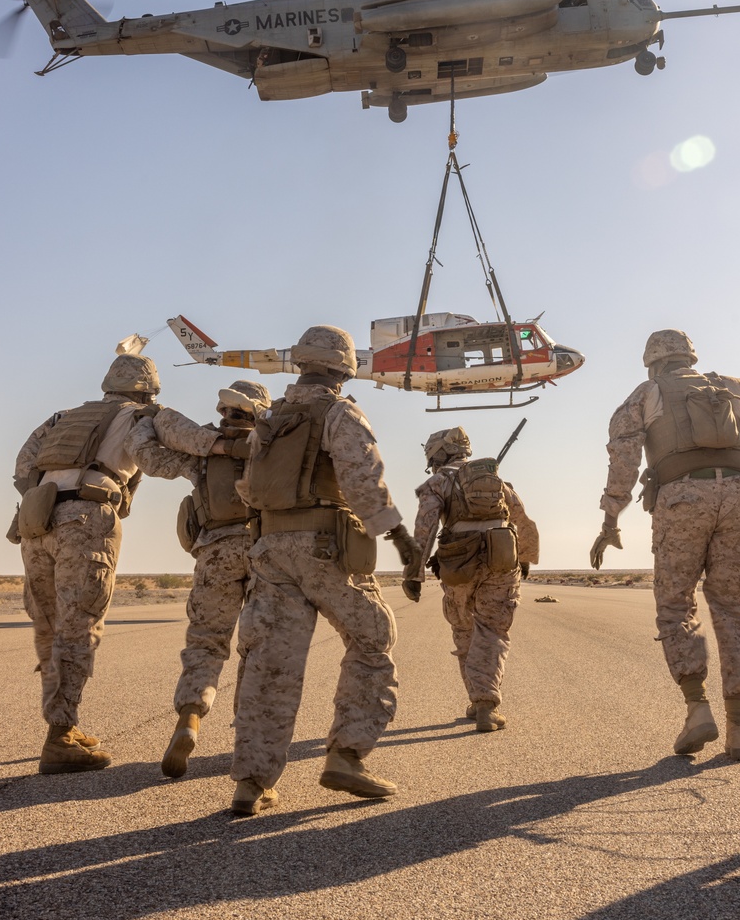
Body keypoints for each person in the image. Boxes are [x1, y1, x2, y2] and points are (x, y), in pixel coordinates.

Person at [591, 329, 740, 761]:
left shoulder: (647, 393)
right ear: (690, 357)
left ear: (653, 362)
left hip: (681, 500)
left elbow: (624, 458)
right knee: (738, 607)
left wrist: (610, 519)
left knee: (676, 604)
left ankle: (697, 709)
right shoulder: (732, 388)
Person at [230, 325, 423, 816]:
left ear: (300, 364)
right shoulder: (340, 412)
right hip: (323, 549)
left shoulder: (269, 419)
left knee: (269, 666)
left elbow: (249, 489)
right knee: (372, 637)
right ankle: (346, 756)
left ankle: (251, 784)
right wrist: (400, 537)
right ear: (344, 368)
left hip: (269, 551)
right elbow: (363, 479)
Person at [13, 350, 189, 775]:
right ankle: (61, 735)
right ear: (148, 389)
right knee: (79, 624)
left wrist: (52, 494)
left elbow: (23, 467)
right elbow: (156, 460)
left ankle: (61, 727)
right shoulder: (142, 416)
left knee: (49, 625)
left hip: (36, 521)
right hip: (87, 519)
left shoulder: (62, 417)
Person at [127, 380, 271, 779]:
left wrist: (143, 420)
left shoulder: (202, 455)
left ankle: (190, 718)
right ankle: (250, 741)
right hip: (266, 553)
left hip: (215, 552)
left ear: (224, 412)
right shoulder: (272, 449)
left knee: (206, 643)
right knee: (259, 648)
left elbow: (148, 456)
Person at [409, 428, 539, 733]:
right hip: (501, 563)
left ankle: (477, 700)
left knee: (464, 630)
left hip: (458, 567)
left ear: (438, 454)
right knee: (492, 632)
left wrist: (413, 574)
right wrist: (525, 558)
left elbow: (424, 529)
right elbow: (523, 520)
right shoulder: (498, 483)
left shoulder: (437, 482)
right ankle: (485, 704)